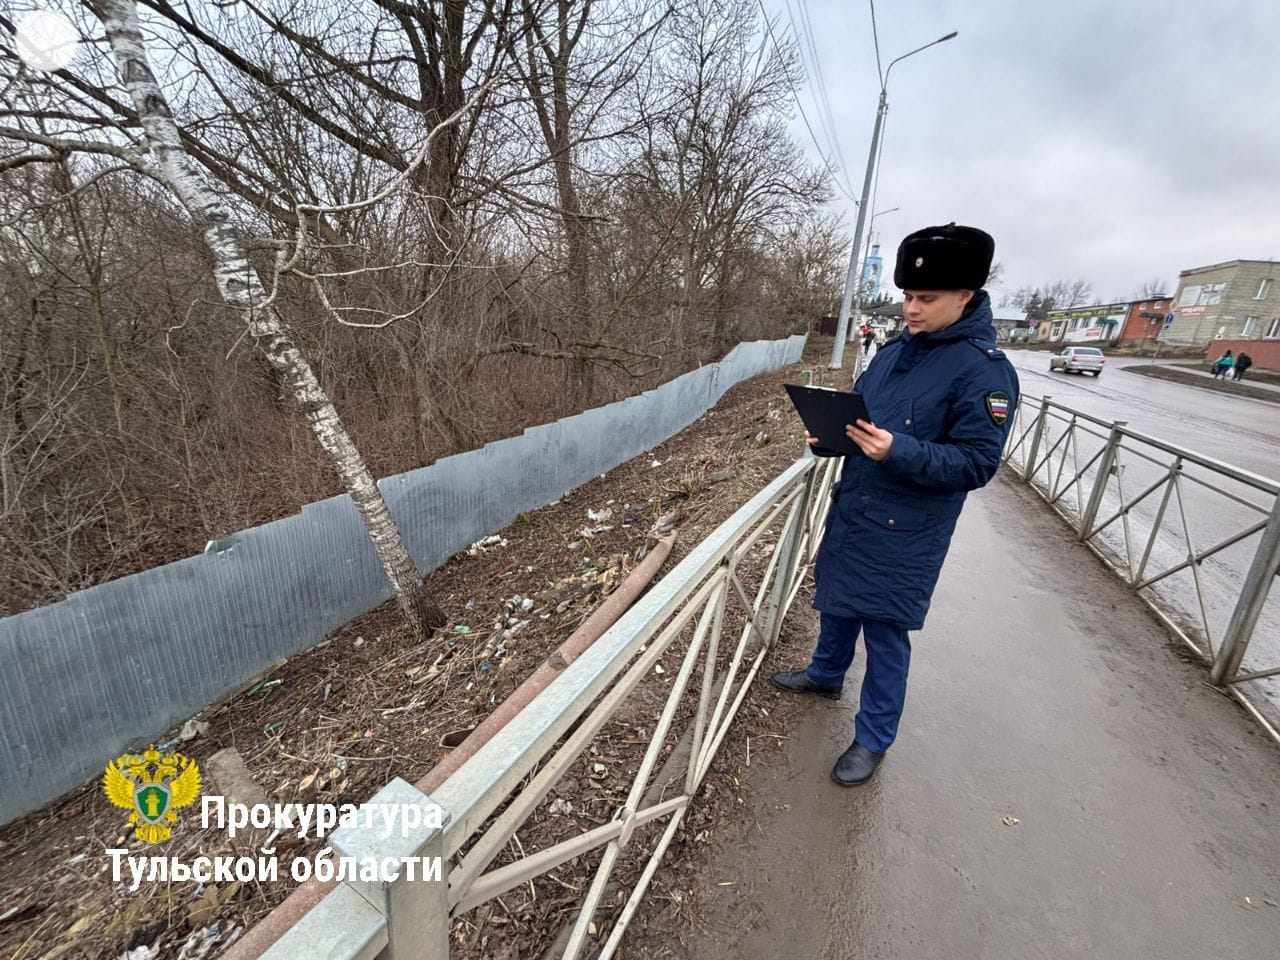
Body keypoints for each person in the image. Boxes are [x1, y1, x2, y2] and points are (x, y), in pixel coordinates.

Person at [772, 223, 1020, 786]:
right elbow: (866, 420)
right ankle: (825, 673)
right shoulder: (892, 353)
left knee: (885, 632)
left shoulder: (984, 372)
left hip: (909, 527)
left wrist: (897, 450)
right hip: (857, 505)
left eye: (926, 299)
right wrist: (831, 437)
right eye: (908, 296)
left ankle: (873, 738)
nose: (911, 308)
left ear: (966, 296)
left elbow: (977, 464)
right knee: (837, 601)